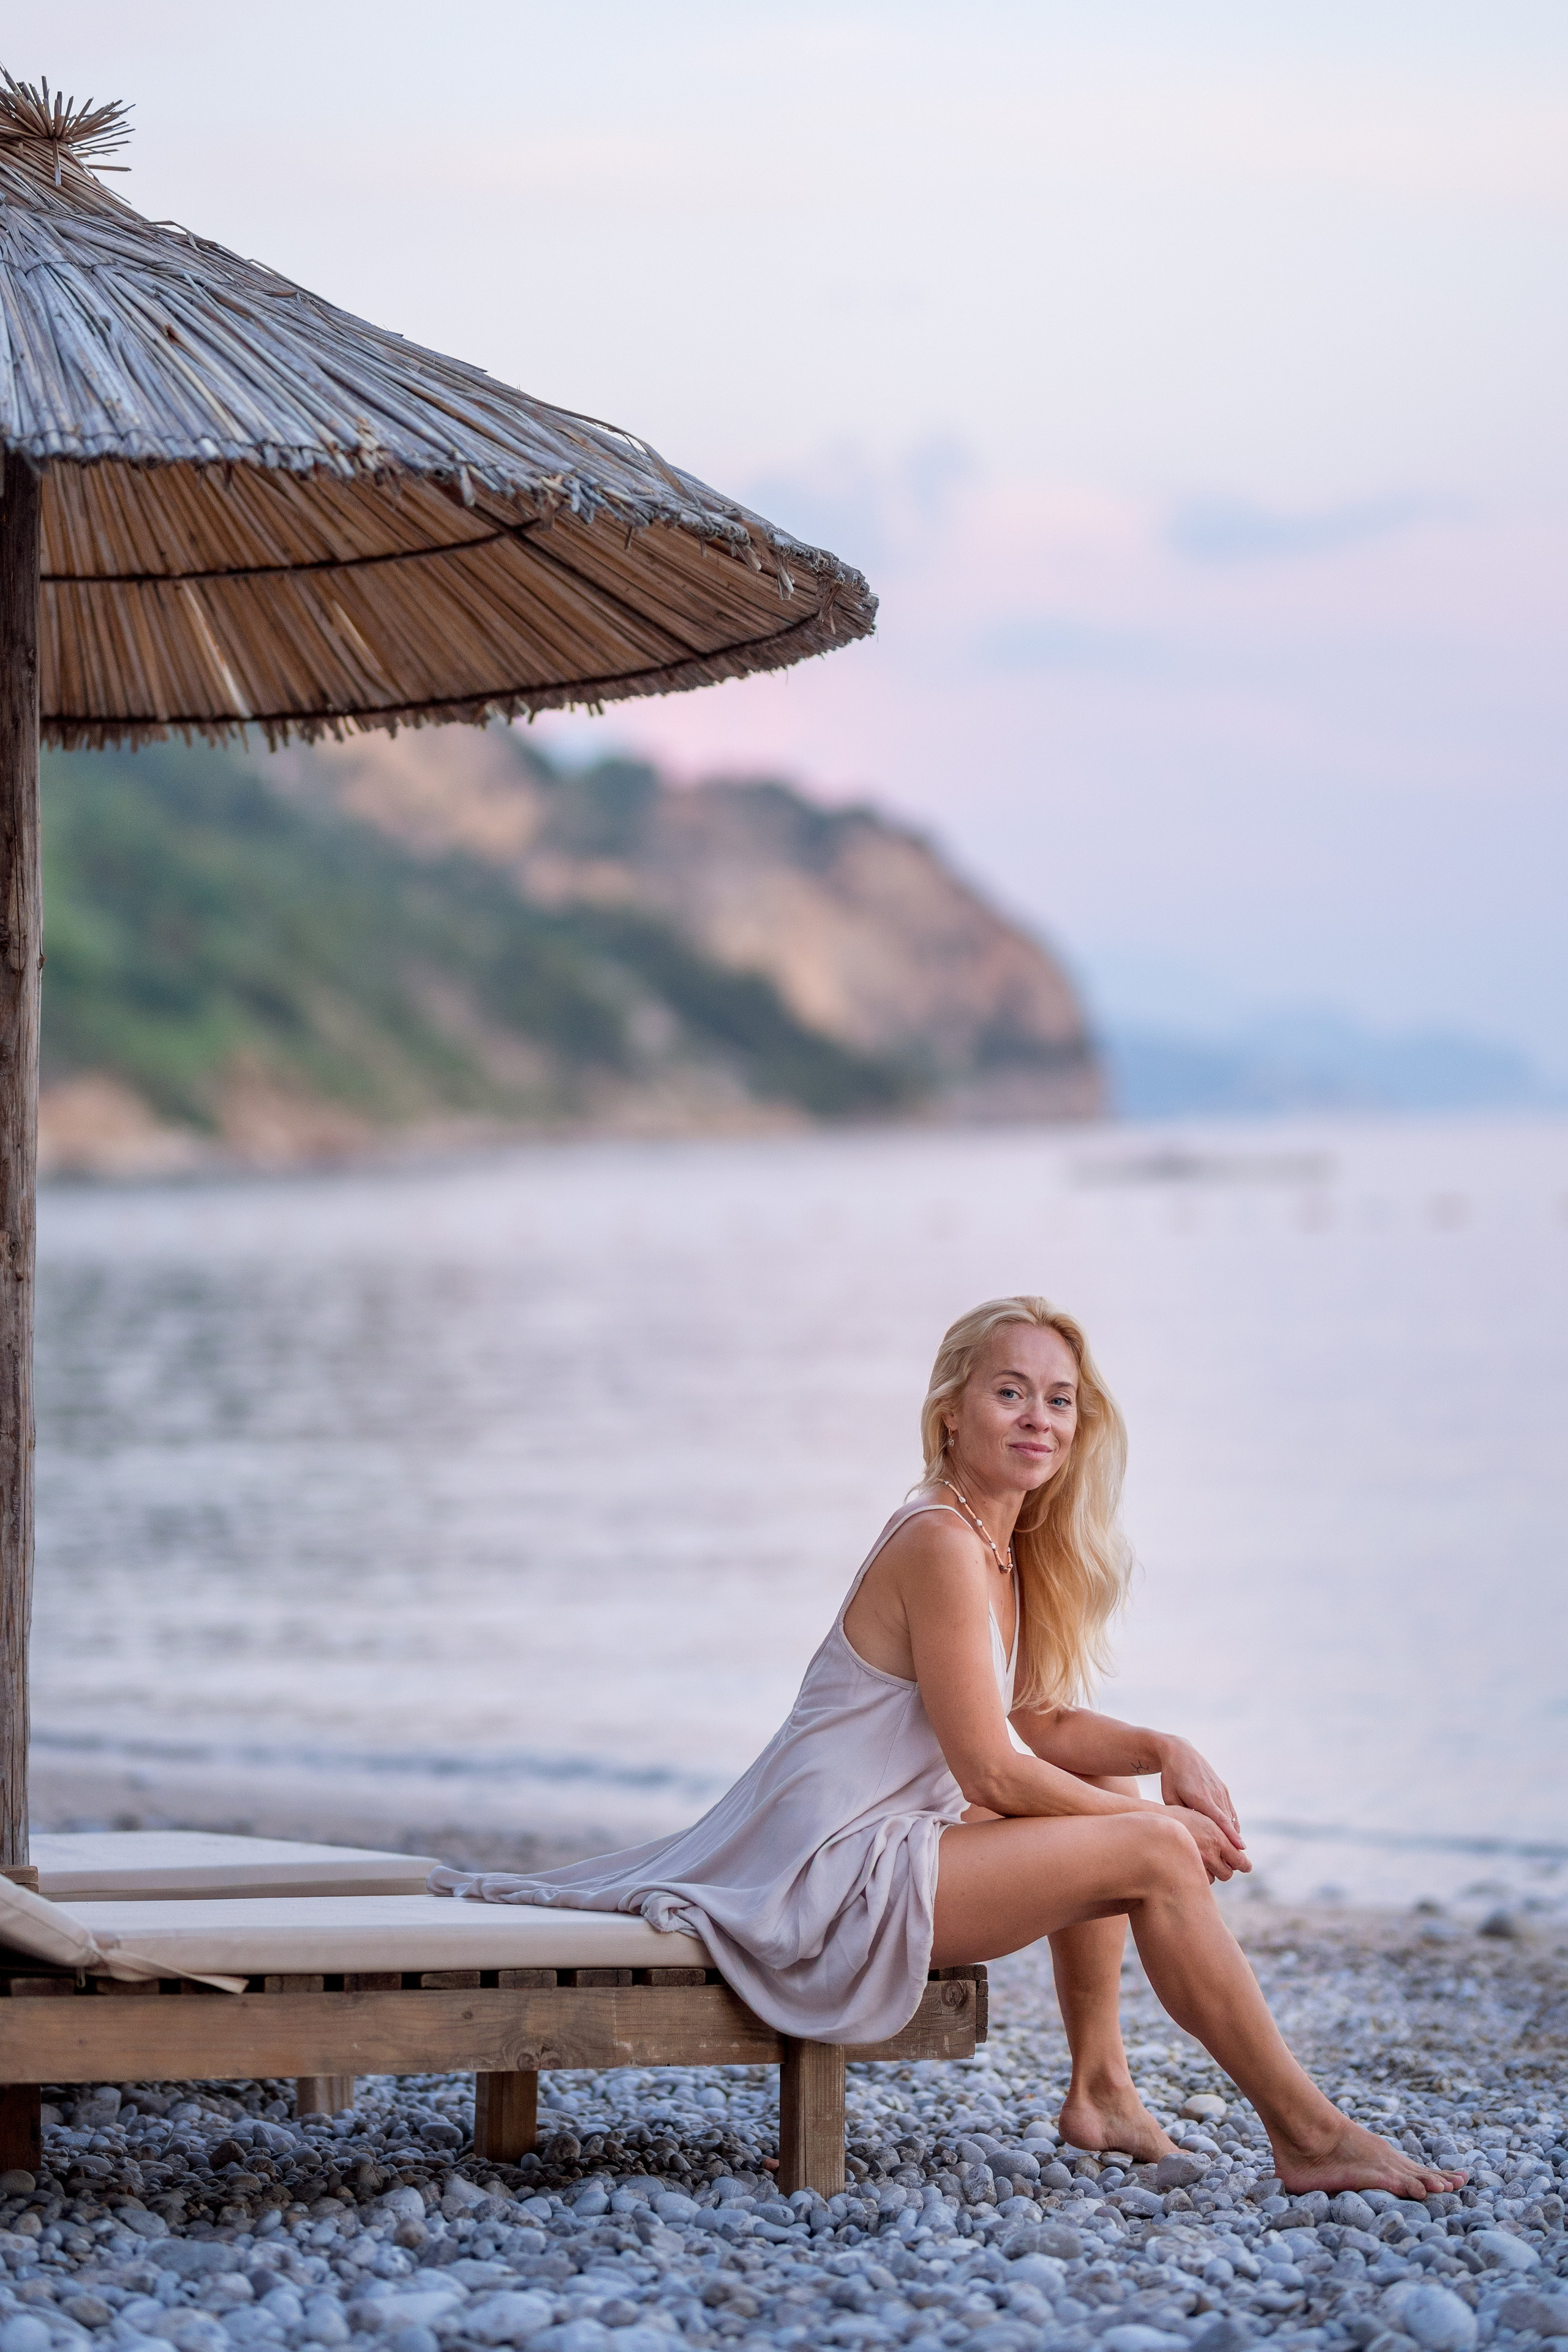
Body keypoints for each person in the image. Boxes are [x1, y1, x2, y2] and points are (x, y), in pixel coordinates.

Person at [435, 1294, 1463, 2198]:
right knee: (1148, 1848)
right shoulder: (938, 1540)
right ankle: (1311, 2135)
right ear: (951, 1413)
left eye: (1059, 1399)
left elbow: (1037, 1724)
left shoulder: (1001, 1543)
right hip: (836, 1874)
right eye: (1011, 1392)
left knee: (1110, 1782)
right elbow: (993, 1771)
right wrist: (1166, 1829)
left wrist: (1165, 1749)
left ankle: (1102, 2089)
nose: (1038, 1417)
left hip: (890, 1837)